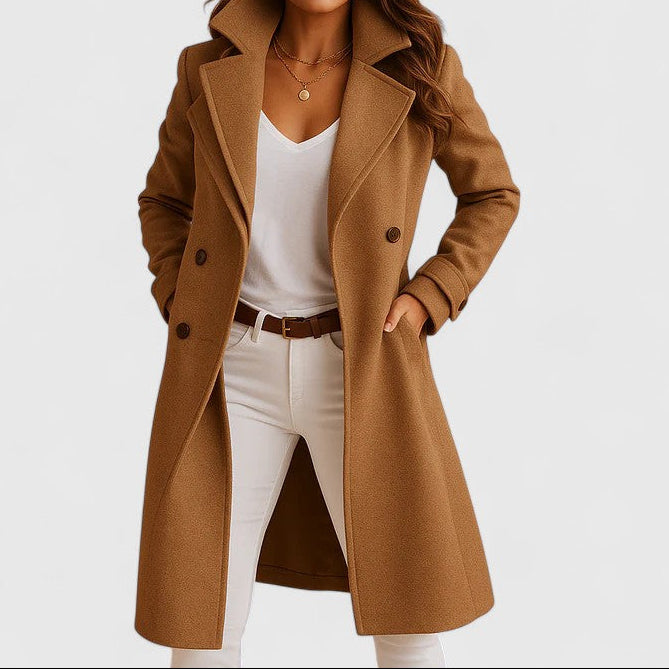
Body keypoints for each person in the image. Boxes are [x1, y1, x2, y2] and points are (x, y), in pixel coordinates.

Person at [134, 0, 521, 666]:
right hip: (230, 372)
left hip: (360, 366)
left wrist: (431, 294)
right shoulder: (208, 67)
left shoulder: (420, 68)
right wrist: (181, 296)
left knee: (406, 613)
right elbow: (163, 202)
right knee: (202, 622)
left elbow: (492, 194)